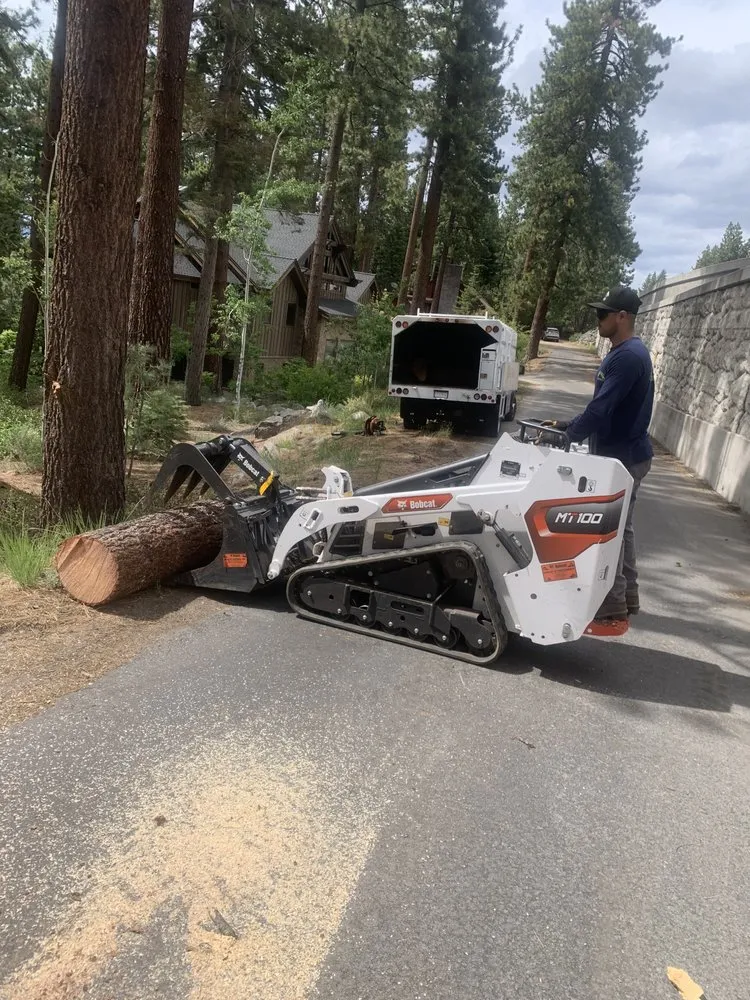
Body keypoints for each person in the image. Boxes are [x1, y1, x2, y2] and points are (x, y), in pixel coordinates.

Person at [546, 285, 654, 631]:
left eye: (602, 314)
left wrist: (568, 435)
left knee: (612, 532)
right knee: (624, 530)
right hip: (627, 454)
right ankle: (627, 598)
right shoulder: (626, 352)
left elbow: (601, 409)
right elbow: (603, 408)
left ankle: (611, 612)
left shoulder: (627, 357)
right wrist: (567, 424)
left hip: (623, 458)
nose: (597, 320)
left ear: (622, 317)